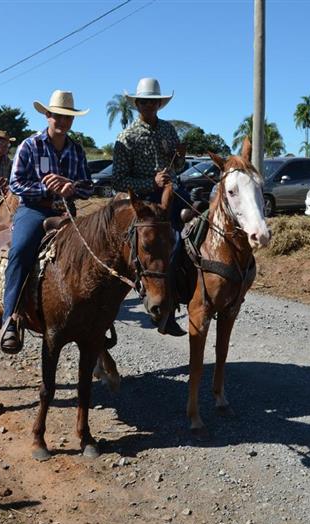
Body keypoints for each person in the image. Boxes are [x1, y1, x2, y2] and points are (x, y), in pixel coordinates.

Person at [0, 90, 92, 353]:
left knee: (92, 253)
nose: (63, 121)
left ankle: (93, 319)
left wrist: (71, 187)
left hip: (66, 211)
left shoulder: (76, 149)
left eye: (68, 117)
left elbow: (88, 186)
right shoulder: (30, 145)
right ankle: (10, 318)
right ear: (48, 116)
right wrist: (46, 188)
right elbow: (16, 183)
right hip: (34, 210)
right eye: (58, 116)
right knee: (21, 250)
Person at [111, 77, 188, 336]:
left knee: (197, 228)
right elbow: (118, 180)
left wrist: (180, 159)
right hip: (144, 202)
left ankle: (195, 289)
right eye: (144, 102)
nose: (149, 106)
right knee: (165, 244)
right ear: (137, 104)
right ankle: (163, 305)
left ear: (159, 104)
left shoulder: (168, 130)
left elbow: (178, 166)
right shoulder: (127, 137)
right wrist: (151, 182)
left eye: (153, 102)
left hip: (172, 193)